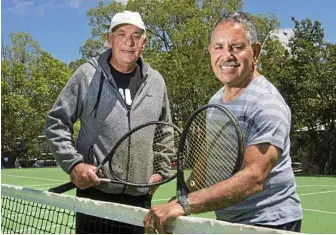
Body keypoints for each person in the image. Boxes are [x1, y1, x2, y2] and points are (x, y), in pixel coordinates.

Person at [144, 12, 303, 233]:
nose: (226, 55)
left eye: (236, 47)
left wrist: (184, 205)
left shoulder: (266, 103)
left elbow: (254, 178)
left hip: (270, 224)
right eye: (219, 47)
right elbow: (210, 156)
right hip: (230, 224)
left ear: (255, 52)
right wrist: (182, 197)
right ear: (210, 52)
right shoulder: (217, 100)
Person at [45, 10, 173, 234]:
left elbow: (164, 133)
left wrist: (160, 173)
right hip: (95, 197)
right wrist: (74, 164)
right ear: (109, 39)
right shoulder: (86, 75)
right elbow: (57, 121)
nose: (128, 42)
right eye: (121, 34)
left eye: (136, 35)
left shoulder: (156, 82)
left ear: (144, 42)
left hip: (139, 200)